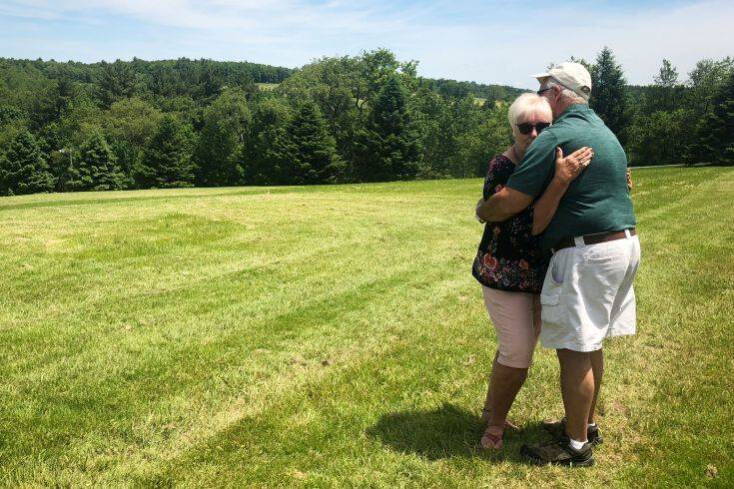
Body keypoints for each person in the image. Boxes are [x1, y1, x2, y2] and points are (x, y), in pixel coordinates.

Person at [476, 62, 640, 466]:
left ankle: (575, 445)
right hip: (623, 245)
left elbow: (512, 202)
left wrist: (483, 209)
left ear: (557, 93)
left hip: (586, 252)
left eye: (544, 90)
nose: (542, 99)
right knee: (591, 342)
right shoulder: (605, 133)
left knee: (575, 348)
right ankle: (586, 424)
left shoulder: (558, 136)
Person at [473, 92, 593, 450]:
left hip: (542, 273)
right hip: (503, 273)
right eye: (526, 128)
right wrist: (558, 182)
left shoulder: (553, 161)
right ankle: (495, 424)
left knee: (514, 348)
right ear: (513, 129)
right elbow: (515, 219)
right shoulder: (502, 166)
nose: (535, 134)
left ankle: (490, 409)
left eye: (544, 126)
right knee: (519, 350)